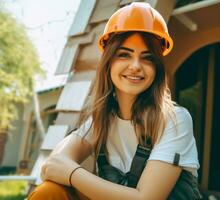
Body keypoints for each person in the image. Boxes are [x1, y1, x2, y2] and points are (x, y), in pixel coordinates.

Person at [28, 2, 200, 200]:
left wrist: (72, 174)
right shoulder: (100, 120)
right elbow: (54, 164)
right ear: (108, 63)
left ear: (157, 68)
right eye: (124, 55)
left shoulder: (175, 120)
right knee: (49, 191)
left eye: (147, 58)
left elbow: (145, 198)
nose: (135, 66)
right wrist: (66, 172)